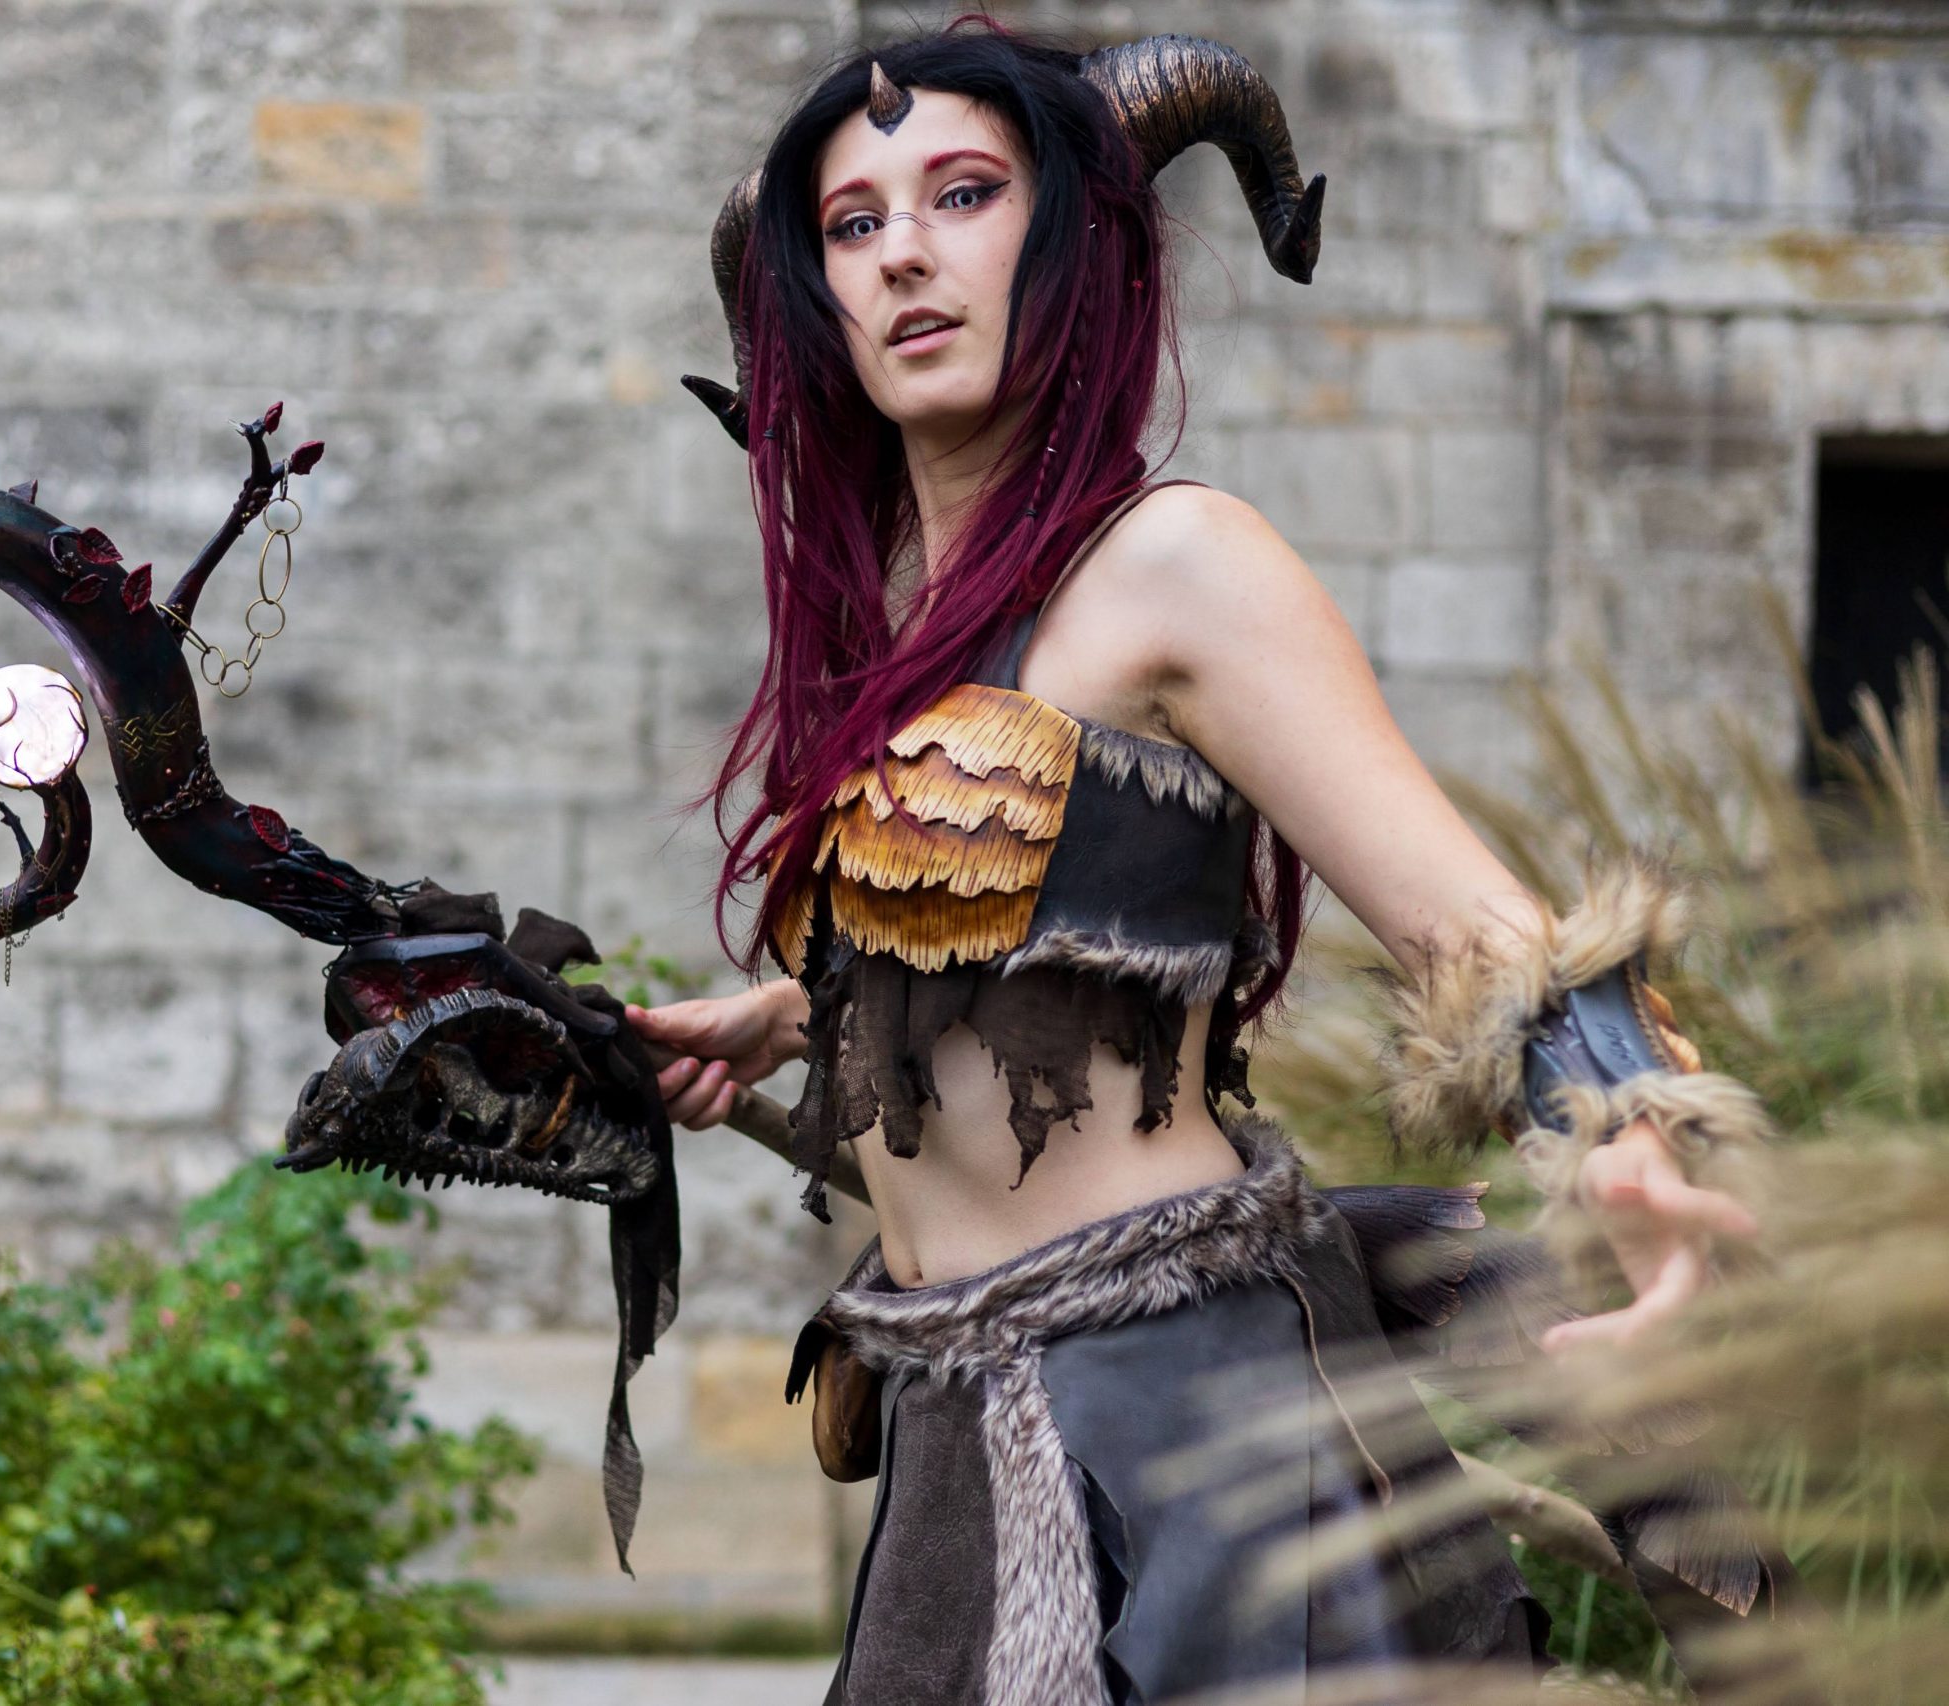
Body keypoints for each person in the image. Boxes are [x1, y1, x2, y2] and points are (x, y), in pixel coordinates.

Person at [623, 20, 1782, 1706]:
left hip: (1187, 1429)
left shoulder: (1174, 562)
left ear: (1077, 241)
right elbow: (1019, 946)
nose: (905, 254)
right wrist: (791, 1018)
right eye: (853, 224)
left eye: (964, 194)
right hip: (956, 1431)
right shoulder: (892, 635)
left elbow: (1496, 943)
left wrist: (1643, 1161)